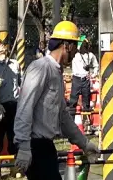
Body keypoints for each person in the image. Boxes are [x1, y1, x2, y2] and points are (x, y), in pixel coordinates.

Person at [14, 21, 94, 180]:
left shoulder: (57, 72)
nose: (76, 52)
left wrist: (84, 144)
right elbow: (25, 106)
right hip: (34, 146)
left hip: (46, 146)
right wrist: (23, 146)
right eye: (75, 47)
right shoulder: (41, 68)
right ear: (67, 46)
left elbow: (63, 116)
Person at [0, 40, 20, 155]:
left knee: (13, 134)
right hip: (0, 104)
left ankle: (15, 162)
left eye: (2, 44)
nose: (1, 47)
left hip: (14, 103)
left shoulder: (15, 64)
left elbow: (20, 81)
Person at [67, 36, 97, 113]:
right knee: (74, 98)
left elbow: (96, 65)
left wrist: (92, 75)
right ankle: (72, 111)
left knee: (85, 97)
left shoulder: (90, 55)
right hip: (77, 78)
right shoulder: (76, 54)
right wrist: (93, 75)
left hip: (84, 78)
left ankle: (85, 110)